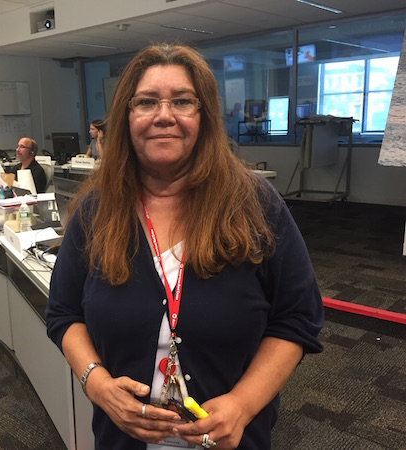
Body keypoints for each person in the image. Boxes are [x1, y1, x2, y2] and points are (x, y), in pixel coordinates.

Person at [46, 43, 324, 450]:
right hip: (121, 440)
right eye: (146, 102)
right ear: (126, 117)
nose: (164, 115)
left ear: (204, 115)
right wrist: (97, 383)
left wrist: (243, 406)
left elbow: (297, 318)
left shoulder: (255, 204)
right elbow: (63, 313)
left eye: (182, 101)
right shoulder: (96, 209)